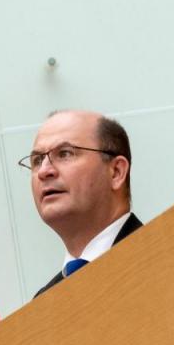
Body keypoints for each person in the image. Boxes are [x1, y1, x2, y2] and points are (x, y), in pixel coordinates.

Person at [19, 109, 143, 298]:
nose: (44, 171)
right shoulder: (44, 302)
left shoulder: (165, 258)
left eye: (65, 154)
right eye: (37, 160)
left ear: (116, 172)